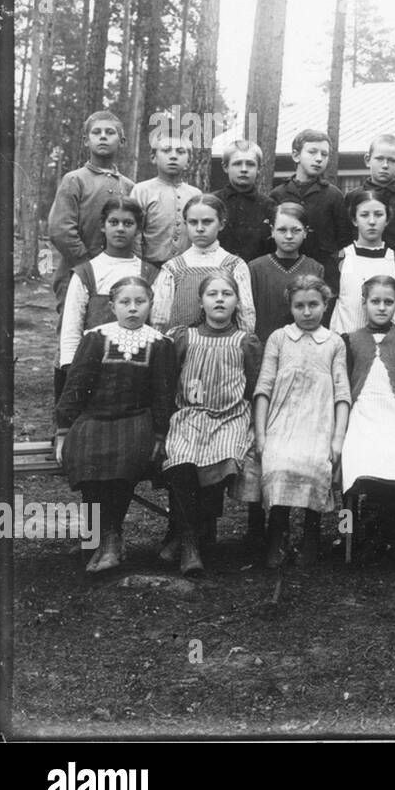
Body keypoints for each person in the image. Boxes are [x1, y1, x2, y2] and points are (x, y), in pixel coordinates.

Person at [55, 276, 176, 573]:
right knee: (87, 457)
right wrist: (63, 431)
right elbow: (76, 385)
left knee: (125, 459)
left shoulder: (160, 344)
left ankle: (109, 539)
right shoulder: (96, 337)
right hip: (94, 417)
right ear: (112, 306)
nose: (133, 309)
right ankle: (102, 537)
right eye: (125, 302)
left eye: (140, 302)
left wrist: (160, 433)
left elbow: (163, 393)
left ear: (151, 304)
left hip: (136, 419)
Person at [161, 270, 262, 576]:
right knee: (181, 458)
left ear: (236, 301)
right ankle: (190, 540)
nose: (220, 300)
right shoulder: (183, 337)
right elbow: (167, 382)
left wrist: (255, 425)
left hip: (230, 416)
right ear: (201, 302)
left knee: (221, 457)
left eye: (227, 294)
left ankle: (187, 536)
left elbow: (254, 387)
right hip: (190, 415)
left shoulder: (246, 341)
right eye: (212, 294)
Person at [254, 274, 351, 569]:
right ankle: (278, 534)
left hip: (319, 421)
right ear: (291, 307)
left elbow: (342, 393)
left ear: (325, 305)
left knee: (316, 463)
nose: (307, 312)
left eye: (313, 305)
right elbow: (264, 387)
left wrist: (337, 438)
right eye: (299, 306)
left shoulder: (334, 342)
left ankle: (311, 533)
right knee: (279, 462)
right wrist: (260, 434)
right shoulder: (279, 338)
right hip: (282, 421)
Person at [341, 276, 395, 567]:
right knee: (361, 459)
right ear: (364, 303)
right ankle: (358, 533)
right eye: (375, 301)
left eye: (388, 302)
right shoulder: (349, 340)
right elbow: (344, 388)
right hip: (362, 414)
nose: (381, 307)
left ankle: (382, 529)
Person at [58, 198, 157, 375]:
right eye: (113, 222)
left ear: (138, 229)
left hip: (137, 368)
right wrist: (70, 367)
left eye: (128, 223)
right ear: (103, 226)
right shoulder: (86, 272)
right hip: (92, 367)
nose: (120, 229)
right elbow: (72, 327)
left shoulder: (150, 274)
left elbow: (158, 326)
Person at [48, 110, 134, 312]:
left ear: (122, 141)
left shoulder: (129, 186)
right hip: (76, 271)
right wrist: (87, 264)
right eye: (97, 132)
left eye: (110, 132)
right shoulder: (74, 180)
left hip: (118, 273)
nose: (103, 136)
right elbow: (60, 230)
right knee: (73, 331)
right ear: (86, 141)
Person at [152, 194, 256, 333]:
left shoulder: (234, 266)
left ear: (221, 224)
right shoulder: (173, 268)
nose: (200, 228)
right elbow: (160, 318)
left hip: (225, 346)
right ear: (185, 224)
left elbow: (245, 313)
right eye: (193, 222)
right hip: (182, 347)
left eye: (207, 222)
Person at [328, 192, 395, 335]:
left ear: (387, 219)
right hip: (345, 345)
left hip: (386, 348)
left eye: (379, 215)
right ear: (354, 219)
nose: (372, 221)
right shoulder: (339, 259)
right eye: (364, 215)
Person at [268, 130, 349, 270]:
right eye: (312, 152)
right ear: (296, 155)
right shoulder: (278, 195)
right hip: (284, 269)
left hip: (323, 272)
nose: (319, 159)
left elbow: (344, 240)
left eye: (324, 154)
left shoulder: (334, 196)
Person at [247, 203, 325, 345]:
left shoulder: (315, 268)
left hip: (304, 346)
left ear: (305, 232)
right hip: (264, 345)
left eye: (296, 230)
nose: (289, 236)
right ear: (272, 231)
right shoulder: (255, 268)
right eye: (282, 230)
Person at [132, 132, 200, 266]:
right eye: (166, 151)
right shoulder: (142, 190)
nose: (173, 156)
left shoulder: (195, 194)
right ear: (153, 157)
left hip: (186, 267)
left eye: (180, 152)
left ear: (188, 161)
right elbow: (135, 235)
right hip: (150, 267)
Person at [345, 135, 395, 255]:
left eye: (392, 161)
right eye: (379, 159)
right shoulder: (353, 196)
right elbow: (346, 235)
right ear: (367, 160)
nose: (385, 165)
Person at [212, 140, 276, 264]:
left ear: (259, 169)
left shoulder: (269, 206)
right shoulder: (213, 203)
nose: (244, 169)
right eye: (237, 164)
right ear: (225, 167)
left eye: (250, 164)